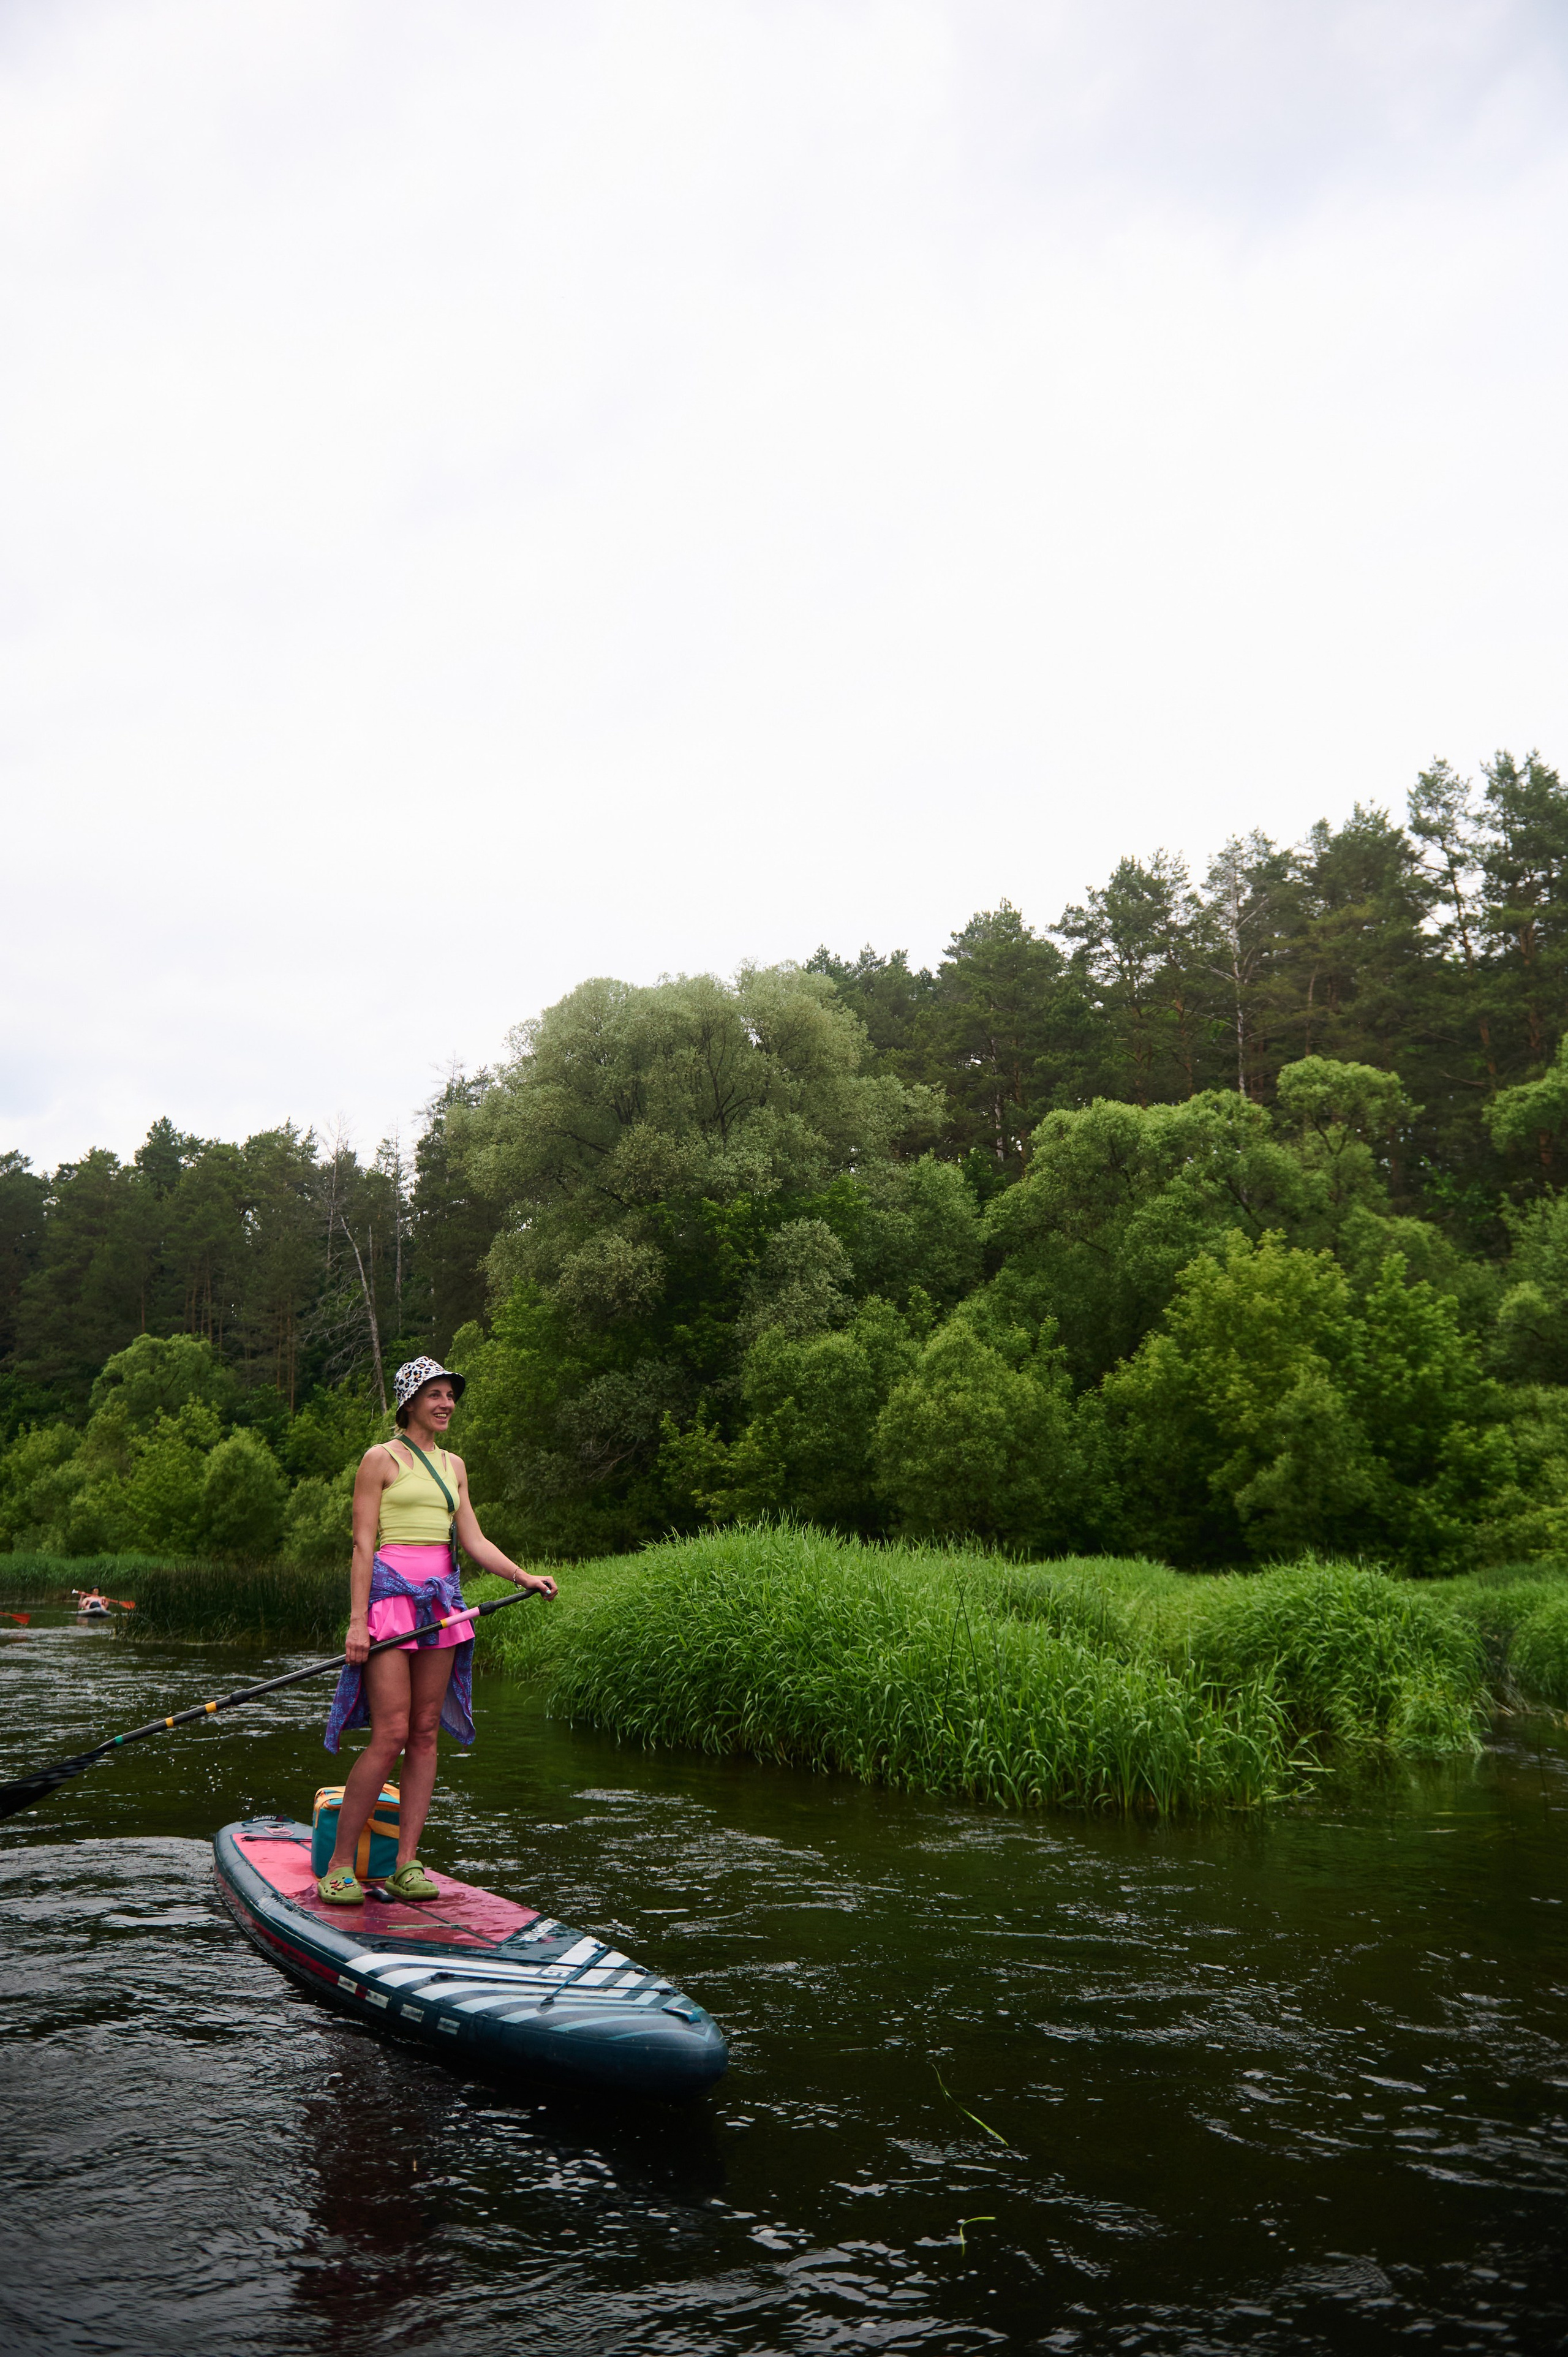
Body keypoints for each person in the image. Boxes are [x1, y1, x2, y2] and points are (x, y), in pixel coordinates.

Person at [317, 1355, 556, 1904]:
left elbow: (472, 1539)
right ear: (409, 1402)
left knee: (426, 1734)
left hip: (443, 1605)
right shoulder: (379, 1459)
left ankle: (406, 1863)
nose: (446, 1403)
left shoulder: (455, 1466)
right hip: (390, 1604)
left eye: (450, 1395)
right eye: (435, 1395)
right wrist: (358, 1623)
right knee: (392, 1734)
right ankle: (339, 1866)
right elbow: (362, 1545)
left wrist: (523, 1575)